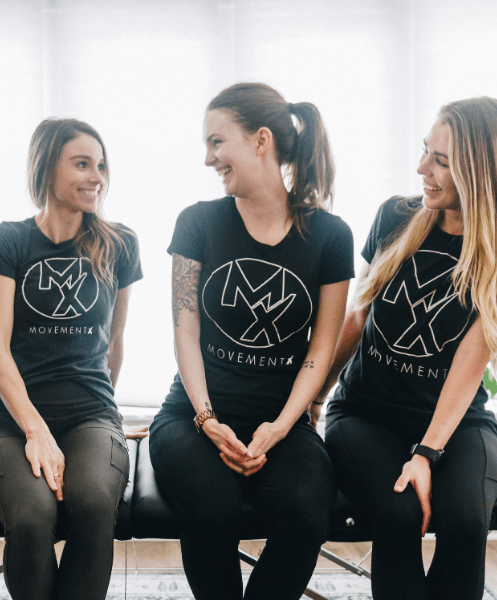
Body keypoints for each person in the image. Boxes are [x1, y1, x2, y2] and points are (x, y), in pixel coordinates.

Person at [314, 97, 497, 600]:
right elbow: (358, 315)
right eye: (426, 151)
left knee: (466, 524)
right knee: (400, 514)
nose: (422, 168)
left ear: (483, 172)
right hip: (365, 413)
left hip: (456, 419)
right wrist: (312, 400)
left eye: (441, 160)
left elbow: (475, 355)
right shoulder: (397, 216)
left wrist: (426, 451)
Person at [148, 83, 354, 600]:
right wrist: (207, 420)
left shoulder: (331, 236)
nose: (208, 158)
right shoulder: (196, 222)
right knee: (211, 509)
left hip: (281, 421)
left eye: (217, 142)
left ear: (260, 140)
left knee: (308, 515)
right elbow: (185, 332)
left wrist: (282, 428)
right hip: (193, 417)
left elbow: (320, 350)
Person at [0, 118, 143, 600]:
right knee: (31, 518)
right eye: (82, 164)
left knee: (93, 503)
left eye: (101, 165)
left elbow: (115, 341)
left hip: (90, 414)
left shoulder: (119, 243)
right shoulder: (7, 241)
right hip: (11, 419)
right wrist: (34, 429)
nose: (97, 175)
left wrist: (107, 418)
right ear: (46, 168)